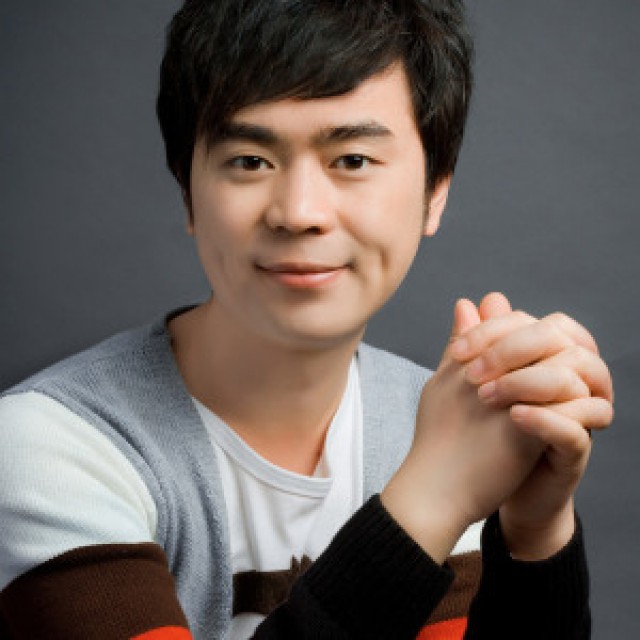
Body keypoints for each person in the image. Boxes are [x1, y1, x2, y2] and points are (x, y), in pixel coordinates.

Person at [0, 1, 613, 639]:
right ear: (187, 190)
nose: (298, 213)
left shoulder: (453, 426)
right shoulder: (47, 445)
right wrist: (434, 496)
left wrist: (535, 535)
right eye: (249, 161)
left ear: (436, 191)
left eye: (352, 160)